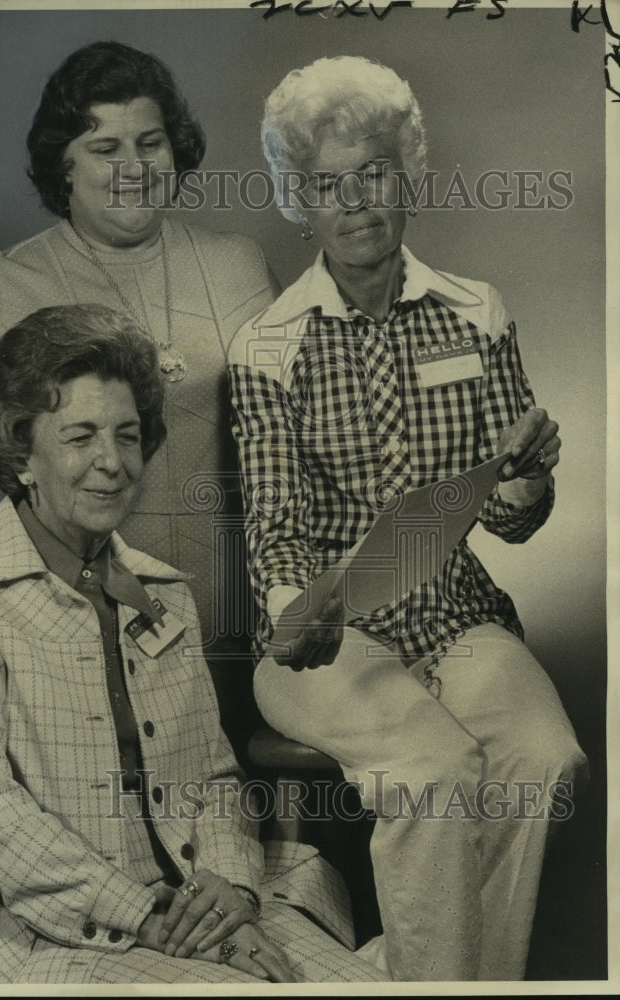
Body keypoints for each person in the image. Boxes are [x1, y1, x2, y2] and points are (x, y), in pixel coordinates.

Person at [0, 303, 387, 986]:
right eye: (80, 436)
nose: (112, 463)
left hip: (186, 908)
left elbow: (212, 781)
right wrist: (154, 919)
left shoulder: (161, 592)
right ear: (20, 452)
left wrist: (233, 895)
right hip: (29, 939)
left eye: (127, 436)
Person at [227, 55, 588, 982]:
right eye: (325, 183)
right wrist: (292, 607)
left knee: (542, 760)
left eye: (373, 172)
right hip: (322, 633)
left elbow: (512, 522)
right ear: (297, 202)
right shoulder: (268, 344)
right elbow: (273, 518)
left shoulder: (477, 314)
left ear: (407, 176)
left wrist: (524, 481)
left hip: (454, 615)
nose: (354, 202)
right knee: (430, 773)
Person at [0, 40, 278, 652]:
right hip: (76, 637)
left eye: (150, 143)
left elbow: (297, 444)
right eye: (105, 148)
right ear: (63, 165)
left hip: (247, 622)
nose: (133, 168)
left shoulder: (239, 266)